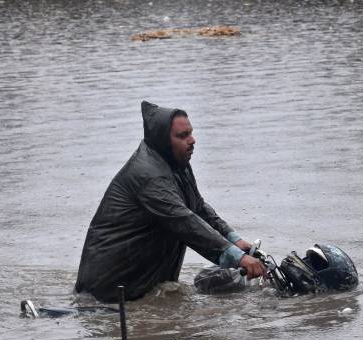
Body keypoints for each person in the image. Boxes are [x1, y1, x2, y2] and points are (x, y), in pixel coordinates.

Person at [75, 101, 266, 302]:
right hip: (109, 291)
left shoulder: (177, 163)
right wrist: (238, 257)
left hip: (143, 283)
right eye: (182, 136)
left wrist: (233, 239)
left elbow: (197, 207)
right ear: (162, 141)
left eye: (190, 133)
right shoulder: (148, 176)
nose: (192, 140)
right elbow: (184, 221)